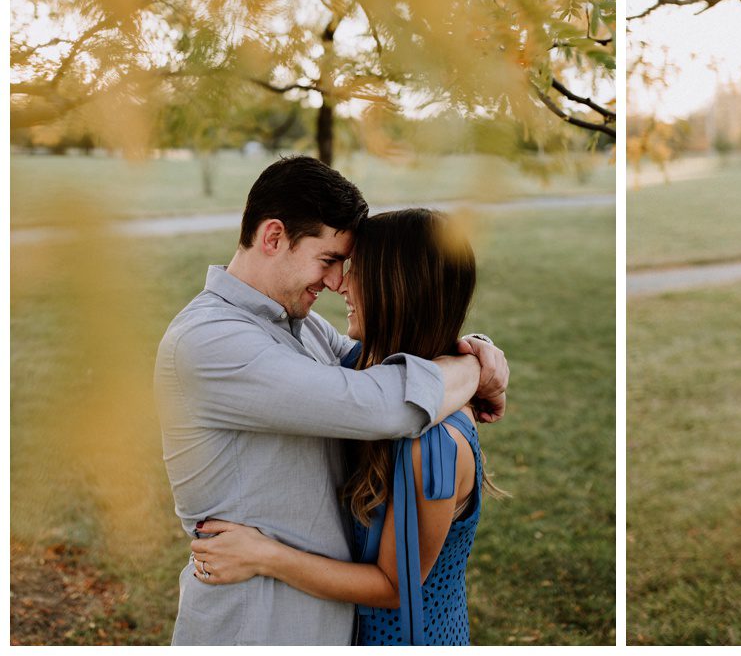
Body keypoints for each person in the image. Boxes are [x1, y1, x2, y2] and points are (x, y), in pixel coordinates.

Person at [156, 157, 509, 646]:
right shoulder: (210, 341)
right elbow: (386, 403)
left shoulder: (297, 325)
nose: (336, 281)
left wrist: (472, 346)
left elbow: (387, 364)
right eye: (328, 261)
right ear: (274, 237)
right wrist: (474, 367)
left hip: (324, 617)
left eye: (346, 267)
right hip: (256, 621)